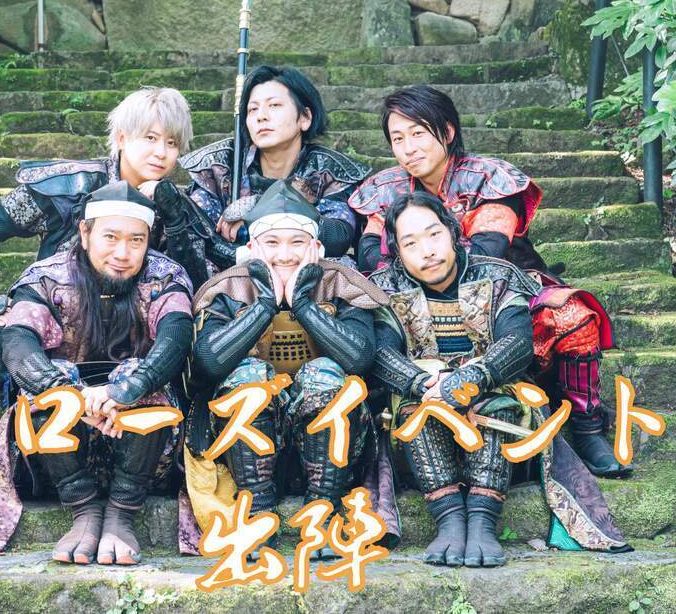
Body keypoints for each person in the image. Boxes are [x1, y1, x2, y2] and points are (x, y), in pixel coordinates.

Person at [350, 85, 625, 478]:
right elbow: (370, 255)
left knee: (573, 317)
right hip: (413, 303)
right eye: (397, 139)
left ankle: (587, 426)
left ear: (447, 132)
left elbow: (486, 251)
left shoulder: (489, 178)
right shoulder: (385, 188)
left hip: (498, 294)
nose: (408, 148)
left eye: (418, 134)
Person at [369, 192, 630, 568]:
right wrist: (421, 383)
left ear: (453, 232)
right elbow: (381, 352)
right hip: (422, 406)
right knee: (418, 411)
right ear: (397, 252)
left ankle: (482, 519)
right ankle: (448, 518)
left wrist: (470, 378)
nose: (427, 251)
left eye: (434, 235)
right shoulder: (384, 287)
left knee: (497, 405)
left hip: (496, 404)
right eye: (410, 243)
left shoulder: (498, 275)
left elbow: (518, 343)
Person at [0, 182, 194, 565]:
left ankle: (121, 513)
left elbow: (176, 337)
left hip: (143, 446)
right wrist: (72, 397)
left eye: (136, 240)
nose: (123, 253)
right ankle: (83, 509)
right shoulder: (46, 278)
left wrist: (126, 390)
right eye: (110, 237)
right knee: (47, 386)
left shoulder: (165, 278)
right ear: (85, 232)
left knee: (141, 375)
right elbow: (18, 342)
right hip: (60, 448)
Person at [177, 181, 398, 559]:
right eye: (272, 243)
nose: (285, 255)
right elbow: (208, 364)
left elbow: (360, 359)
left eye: (297, 242)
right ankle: (258, 512)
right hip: (247, 452)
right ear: (251, 248)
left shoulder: (341, 283)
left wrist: (303, 304)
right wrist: (265, 304)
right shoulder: (227, 288)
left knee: (324, 374)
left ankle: (324, 513)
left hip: (333, 451)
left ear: (316, 247)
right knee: (250, 379)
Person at [0, 87, 195, 396]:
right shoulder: (67, 186)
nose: (161, 152)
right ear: (122, 138)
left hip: (132, 333)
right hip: (60, 323)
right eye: (150, 138)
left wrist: (176, 220)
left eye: (172, 143)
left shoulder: (177, 202)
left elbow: (194, 282)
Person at [155, 65, 370, 274]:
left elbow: (338, 236)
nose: (261, 116)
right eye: (253, 109)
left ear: (305, 117)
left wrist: (260, 207)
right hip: (231, 276)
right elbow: (197, 233)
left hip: (303, 272)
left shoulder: (328, 169)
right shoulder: (220, 164)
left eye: (274, 105)